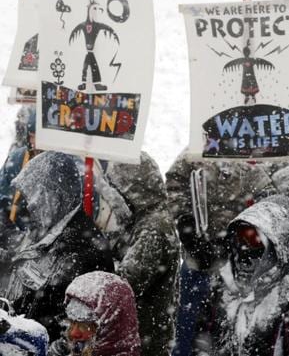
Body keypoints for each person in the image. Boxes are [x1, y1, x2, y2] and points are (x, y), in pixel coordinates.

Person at [166, 151, 289, 356]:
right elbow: (176, 180)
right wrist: (185, 221)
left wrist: (250, 238)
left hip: (247, 266)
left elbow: (282, 205)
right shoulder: (204, 139)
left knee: (236, 335)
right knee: (188, 333)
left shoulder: (273, 145)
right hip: (200, 259)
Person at [1, 152, 114, 342]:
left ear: (58, 196)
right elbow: (23, 265)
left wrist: (13, 326)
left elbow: (60, 323)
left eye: (37, 195)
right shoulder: (47, 225)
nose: (30, 204)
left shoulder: (85, 251)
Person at [210, 195, 289, 355]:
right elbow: (204, 345)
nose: (242, 259)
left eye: (255, 245)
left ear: (276, 250)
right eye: (237, 242)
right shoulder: (224, 291)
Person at [103, 152, 180, 356]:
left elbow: (126, 284)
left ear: (133, 189)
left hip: (144, 337)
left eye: (118, 189)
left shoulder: (152, 229)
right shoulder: (145, 218)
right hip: (146, 333)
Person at [48, 271, 141, 356]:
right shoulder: (67, 347)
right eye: (72, 321)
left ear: (112, 326)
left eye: (84, 325)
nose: (73, 333)